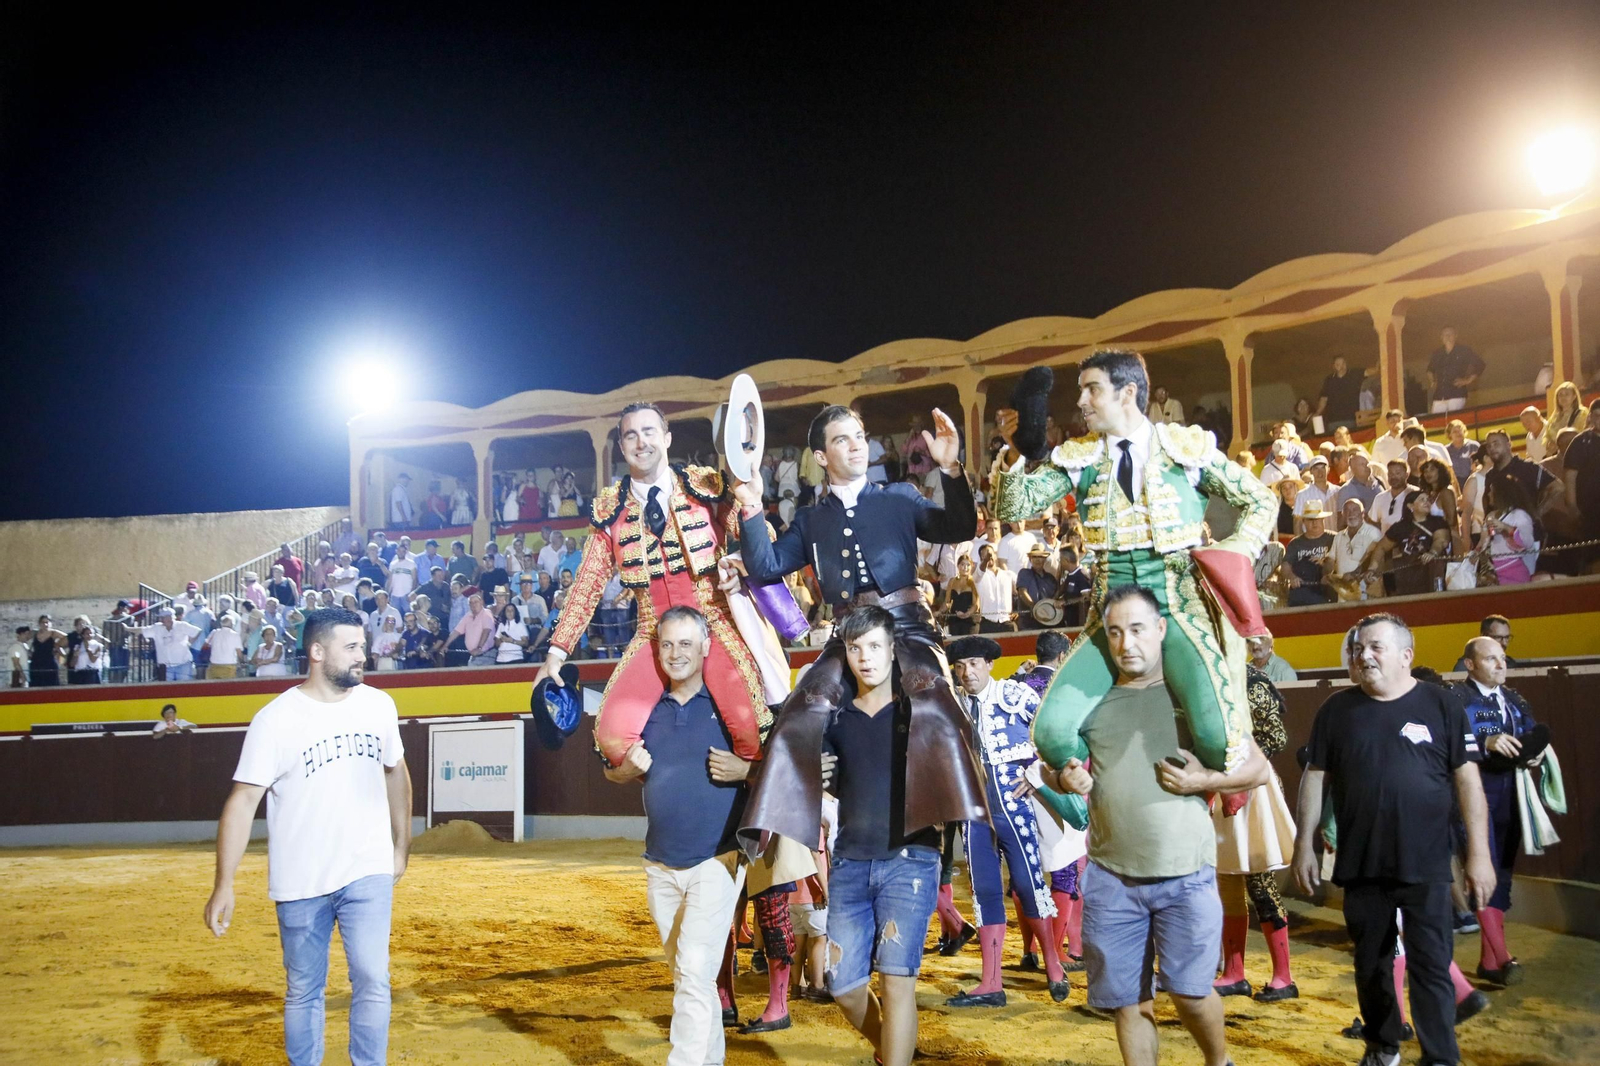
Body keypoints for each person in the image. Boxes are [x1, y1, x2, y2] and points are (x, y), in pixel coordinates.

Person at [729, 404, 988, 956]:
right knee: (796, 715)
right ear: (820, 457)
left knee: (938, 706)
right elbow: (766, 564)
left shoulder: (899, 496)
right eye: (842, 441)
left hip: (906, 629)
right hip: (846, 637)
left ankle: (957, 821)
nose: (855, 447)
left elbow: (958, 526)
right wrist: (751, 506)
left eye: (860, 437)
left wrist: (951, 469)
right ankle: (768, 833)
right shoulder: (812, 518)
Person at [992, 349, 1277, 777]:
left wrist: (1236, 552)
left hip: (1178, 607)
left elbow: (1261, 499)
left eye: (1092, 390)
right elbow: (1014, 503)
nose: (1082, 402)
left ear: (1127, 393)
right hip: (1109, 614)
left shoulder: (1184, 448)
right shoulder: (1080, 455)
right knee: (1050, 734)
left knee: (1220, 744)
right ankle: (1109, 787)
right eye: (1081, 391)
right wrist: (1014, 453)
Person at [1038, 586, 1269, 1066]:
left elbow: (1258, 769)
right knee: (1128, 1002)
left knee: (1189, 993)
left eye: (1138, 630)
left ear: (1161, 629)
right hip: (1111, 879)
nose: (1127, 644)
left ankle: (1217, 1061)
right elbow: (1047, 768)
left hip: (1186, 877)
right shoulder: (1092, 700)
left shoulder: (1195, 695)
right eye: (1116, 633)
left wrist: (1205, 779)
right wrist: (1062, 774)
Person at [204, 608, 412, 1066]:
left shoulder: (379, 705)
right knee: (303, 991)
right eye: (352, 647)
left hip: (367, 869)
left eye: (363, 645)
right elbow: (242, 803)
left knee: (373, 979)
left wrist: (400, 846)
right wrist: (225, 883)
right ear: (317, 652)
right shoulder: (275, 720)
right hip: (301, 879)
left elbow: (396, 772)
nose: (364, 656)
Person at [1293, 614, 1495, 1066]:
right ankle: (1383, 1046)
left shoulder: (1442, 706)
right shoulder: (1336, 711)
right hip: (1362, 863)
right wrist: (1302, 843)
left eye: (1376, 647)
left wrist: (1478, 855)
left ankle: (1441, 1057)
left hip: (1425, 863)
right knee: (1370, 965)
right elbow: (1315, 776)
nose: (1364, 655)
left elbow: (1468, 783)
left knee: (1431, 965)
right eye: (1359, 648)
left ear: (1407, 656)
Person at [532, 402, 772, 766]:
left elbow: (762, 544)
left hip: (714, 624)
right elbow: (587, 583)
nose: (641, 442)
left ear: (667, 438)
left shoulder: (705, 487)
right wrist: (556, 653)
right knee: (612, 739)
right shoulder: (610, 511)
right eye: (631, 435)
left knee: (750, 728)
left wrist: (748, 517)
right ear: (621, 446)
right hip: (653, 633)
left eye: (649, 432)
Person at [600, 607, 752, 1064]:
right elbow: (611, 771)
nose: (676, 654)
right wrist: (624, 771)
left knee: (691, 972)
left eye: (686, 644)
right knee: (693, 978)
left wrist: (746, 769)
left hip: (717, 859)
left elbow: (779, 766)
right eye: (667, 644)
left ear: (706, 647)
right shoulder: (644, 709)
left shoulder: (730, 709)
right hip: (660, 864)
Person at [946, 636, 1074, 1006]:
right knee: (984, 890)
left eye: (973, 663)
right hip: (974, 813)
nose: (967, 672)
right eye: (960, 666)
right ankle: (991, 983)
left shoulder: (1015, 696)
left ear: (989, 664)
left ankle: (1053, 965)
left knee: (1029, 885)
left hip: (1014, 809)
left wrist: (1037, 777)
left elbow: (1055, 736)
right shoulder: (953, 706)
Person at [1454, 635, 1546, 989]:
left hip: (1510, 792)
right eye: (1491, 659)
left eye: (1502, 657)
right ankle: (1503, 956)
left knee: (1502, 871)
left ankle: (1490, 961)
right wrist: (1484, 741)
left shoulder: (1513, 699)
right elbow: (1447, 741)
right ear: (1470, 664)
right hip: (1471, 792)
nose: (1501, 664)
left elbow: (1530, 733)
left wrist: (1535, 753)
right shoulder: (1456, 698)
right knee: (1483, 867)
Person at [1213, 666, 1299, 1002]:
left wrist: (1234, 761)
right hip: (1218, 784)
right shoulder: (1210, 678)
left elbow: (1275, 737)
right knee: (1226, 880)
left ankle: (1284, 977)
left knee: (1259, 882)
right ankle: (1234, 973)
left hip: (1250, 785)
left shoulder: (1251, 682)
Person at [1359, 491, 1451, 597]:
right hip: (1406, 577)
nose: (1427, 502)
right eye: (1422, 499)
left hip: (1431, 573)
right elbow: (1381, 547)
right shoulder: (1400, 527)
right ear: (1410, 506)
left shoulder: (1438, 522)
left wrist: (1433, 552)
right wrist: (1372, 568)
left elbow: (1441, 540)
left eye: (1428, 499)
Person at [1480, 473, 1542, 584]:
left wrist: (1506, 528)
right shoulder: (1491, 516)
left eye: (1491, 491)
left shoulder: (1519, 515)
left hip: (1512, 570)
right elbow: (1483, 542)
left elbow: (1527, 542)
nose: (1488, 494)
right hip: (1491, 571)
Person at [1561, 396, 1600, 553]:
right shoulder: (1580, 442)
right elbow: (1569, 477)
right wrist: (1573, 508)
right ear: (1590, 417)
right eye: (1597, 415)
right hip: (1589, 513)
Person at [1329, 497, 1384, 600]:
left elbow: (1377, 558)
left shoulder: (1373, 533)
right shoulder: (1339, 536)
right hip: (1344, 593)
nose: (1351, 513)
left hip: (1367, 592)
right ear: (1343, 515)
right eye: (1347, 510)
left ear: (1363, 513)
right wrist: (1328, 575)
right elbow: (1331, 560)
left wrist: (1354, 574)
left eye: (1355, 510)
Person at [1426, 327, 1485, 413]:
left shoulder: (1464, 351)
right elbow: (1430, 370)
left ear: (1455, 336)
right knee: (1436, 420)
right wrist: (1432, 381)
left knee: (1453, 420)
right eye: (1445, 335)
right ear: (1441, 337)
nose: (1448, 336)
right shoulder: (1438, 353)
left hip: (1456, 394)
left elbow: (1480, 365)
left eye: (1450, 334)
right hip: (1439, 395)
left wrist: (1467, 380)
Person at [134, 608, 201, 682]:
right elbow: (142, 630)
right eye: (161, 618)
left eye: (163, 618)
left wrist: (190, 642)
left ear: (170, 617)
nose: (161, 620)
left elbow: (197, 631)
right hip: (166, 666)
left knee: (184, 688)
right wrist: (127, 629)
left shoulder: (182, 625)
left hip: (183, 664)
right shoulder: (157, 628)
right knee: (167, 689)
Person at [973, 544, 1017, 633]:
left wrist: (1017, 610)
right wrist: (986, 560)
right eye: (984, 555)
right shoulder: (978, 576)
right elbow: (981, 570)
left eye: (990, 554)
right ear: (981, 559)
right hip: (988, 622)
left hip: (1006, 621)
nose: (989, 557)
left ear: (995, 555)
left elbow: (1020, 591)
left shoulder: (1008, 575)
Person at [1317, 355, 1364, 432]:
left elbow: (1368, 372)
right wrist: (1317, 413)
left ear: (1346, 364)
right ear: (1334, 366)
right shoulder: (1329, 380)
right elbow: (1324, 398)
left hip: (1350, 419)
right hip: (1333, 421)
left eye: (1343, 364)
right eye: (1338, 364)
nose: (1341, 367)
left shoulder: (1353, 375)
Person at [1541, 380, 1588, 454]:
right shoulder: (1554, 417)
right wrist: (1549, 444)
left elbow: (1581, 434)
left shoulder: (1582, 413)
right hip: (1556, 455)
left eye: (1567, 394)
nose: (1563, 397)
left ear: (1574, 396)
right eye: (1560, 395)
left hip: (1575, 453)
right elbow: (1546, 436)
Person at [1292, 456, 1335, 534]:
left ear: (1328, 469)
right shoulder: (1302, 495)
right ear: (1311, 471)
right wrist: (1299, 544)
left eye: (1323, 468)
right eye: (1316, 468)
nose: (1320, 472)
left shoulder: (1337, 491)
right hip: (1312, 542)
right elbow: (1297, 522)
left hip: (1336, 540)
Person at [451, 594, 497, 667]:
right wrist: (445, 646)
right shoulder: (468, 616)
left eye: (476, 602)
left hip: (486, 655)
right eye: (471, 603)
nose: (473, 604)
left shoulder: (486, 613)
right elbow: (456, 631)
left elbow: (486, 631)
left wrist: (479, 648)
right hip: (475, 655)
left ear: (481, 602)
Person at [1369, 459, 1415, 533]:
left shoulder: (1415, 494)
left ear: (1407, 475)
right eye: (1390, 474)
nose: (1393, 477)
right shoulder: (1379, 498)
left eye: (1398, 473)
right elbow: (1373, 523)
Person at [942, 553, 978, 635]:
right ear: (958, 566)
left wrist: (966, 614)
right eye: (962, 564)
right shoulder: (952, 581)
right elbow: (947, 602)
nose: (965, 568)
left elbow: (976, 605)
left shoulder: (974, 582)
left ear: (972, 566)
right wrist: (939, 611)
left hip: (969, 621)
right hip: (954, 620)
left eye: (968, 565)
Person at [66, 616, 106, 684]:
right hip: (80, 674)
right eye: (87, 634)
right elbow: (72, 664)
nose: (89, 635)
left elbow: (93, 660)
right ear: (83, 635)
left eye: (91, 633)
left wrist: (88, 649)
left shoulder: (98, 646)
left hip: (93, 672)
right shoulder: (78, 646)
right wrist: (75, 656)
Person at [205, 614, 245, 680]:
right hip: (229, 666)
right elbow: (239, 652)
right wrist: (242, 661)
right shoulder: (235, 635)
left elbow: (207, 644)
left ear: (221, 623)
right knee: (227, 688)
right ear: (232, 624)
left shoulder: (214, 633)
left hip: (214, 665)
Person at [1445, 420, 1479, 484]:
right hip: (1454, 483)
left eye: (1460, 430)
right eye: (1455, 432)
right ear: (1450, 435)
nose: (1458, 433)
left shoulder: (1474, 446)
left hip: (1473, 481)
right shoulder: (1446, 450)